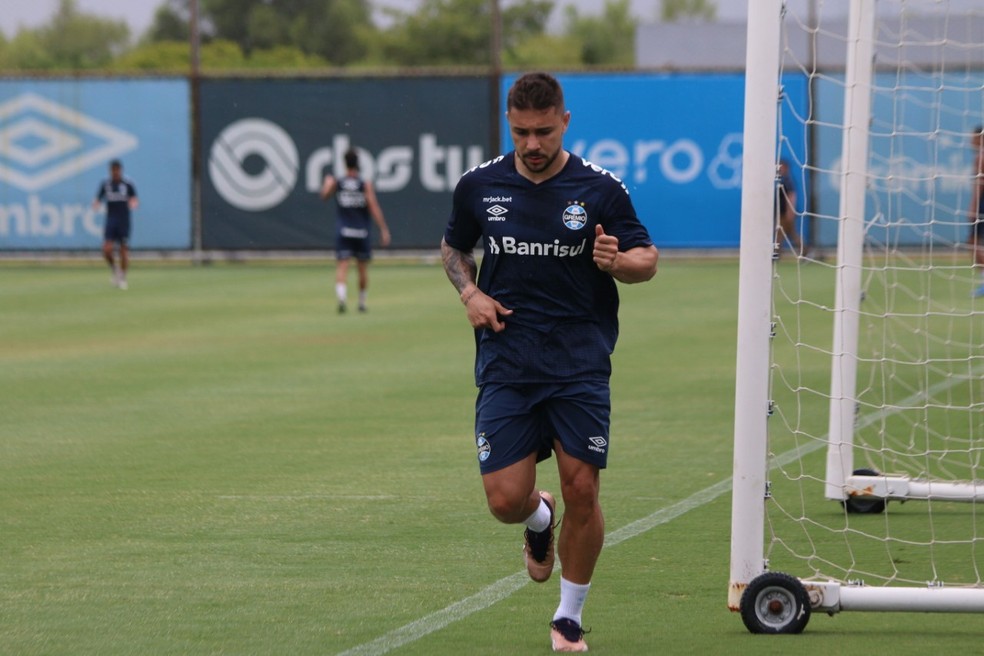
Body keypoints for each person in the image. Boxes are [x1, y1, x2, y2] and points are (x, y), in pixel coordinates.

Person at [440, 72, 659, 652]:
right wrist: (470, 293)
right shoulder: (478, 186)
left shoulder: (599, 189)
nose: (532, 145)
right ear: (508, 125)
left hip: (579, 359)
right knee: (505, 501)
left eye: (542, 132)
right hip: (508, 359)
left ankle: (568, 618)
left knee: (583, 487)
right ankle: (539, 518)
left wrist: (618, 263)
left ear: (565, 121)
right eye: (520, 133)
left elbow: (647, 258)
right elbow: (454, 248)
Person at [320, 148, 391, 313]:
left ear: (344, 163)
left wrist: (326, 184)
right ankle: (362, 302)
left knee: (342, 266)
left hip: (344, 231)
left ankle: (342, 298)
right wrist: (383, 228)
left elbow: (324, 196)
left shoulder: (338, 182)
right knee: (362, 269)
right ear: (358, 163)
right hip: (361, 232)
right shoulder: (364, 184)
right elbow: (373, 207)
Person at [93, 159, 138, 290]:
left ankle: (123, 277)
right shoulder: (105, 184)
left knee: (124, 250)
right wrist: (96, 204)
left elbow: (134, 198)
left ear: (121, 170)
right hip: (111, 220)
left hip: (123, 221)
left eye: (117, 170)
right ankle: (115, 269)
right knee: (107, 249)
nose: (115, 172)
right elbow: (98, 198)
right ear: (110, 171)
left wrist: (133, 203)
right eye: (113, 170)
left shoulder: (127, 184)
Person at [774, 159, 802, 258]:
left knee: (782, 234)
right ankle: (806, 251)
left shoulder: (787, 180)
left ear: (785, 167)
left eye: (780, 166)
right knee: (788, 234)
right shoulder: (782, 180)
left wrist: (790, 211)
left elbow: (791, 196)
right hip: (781, 213)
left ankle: (776, 254)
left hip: (785, 213)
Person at [968, 127, 984, 296]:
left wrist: (973, 206)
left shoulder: (980, 157)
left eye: (973, 138)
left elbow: (979, 183)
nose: (970, 142)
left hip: (982, 204)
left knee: (972, 242)